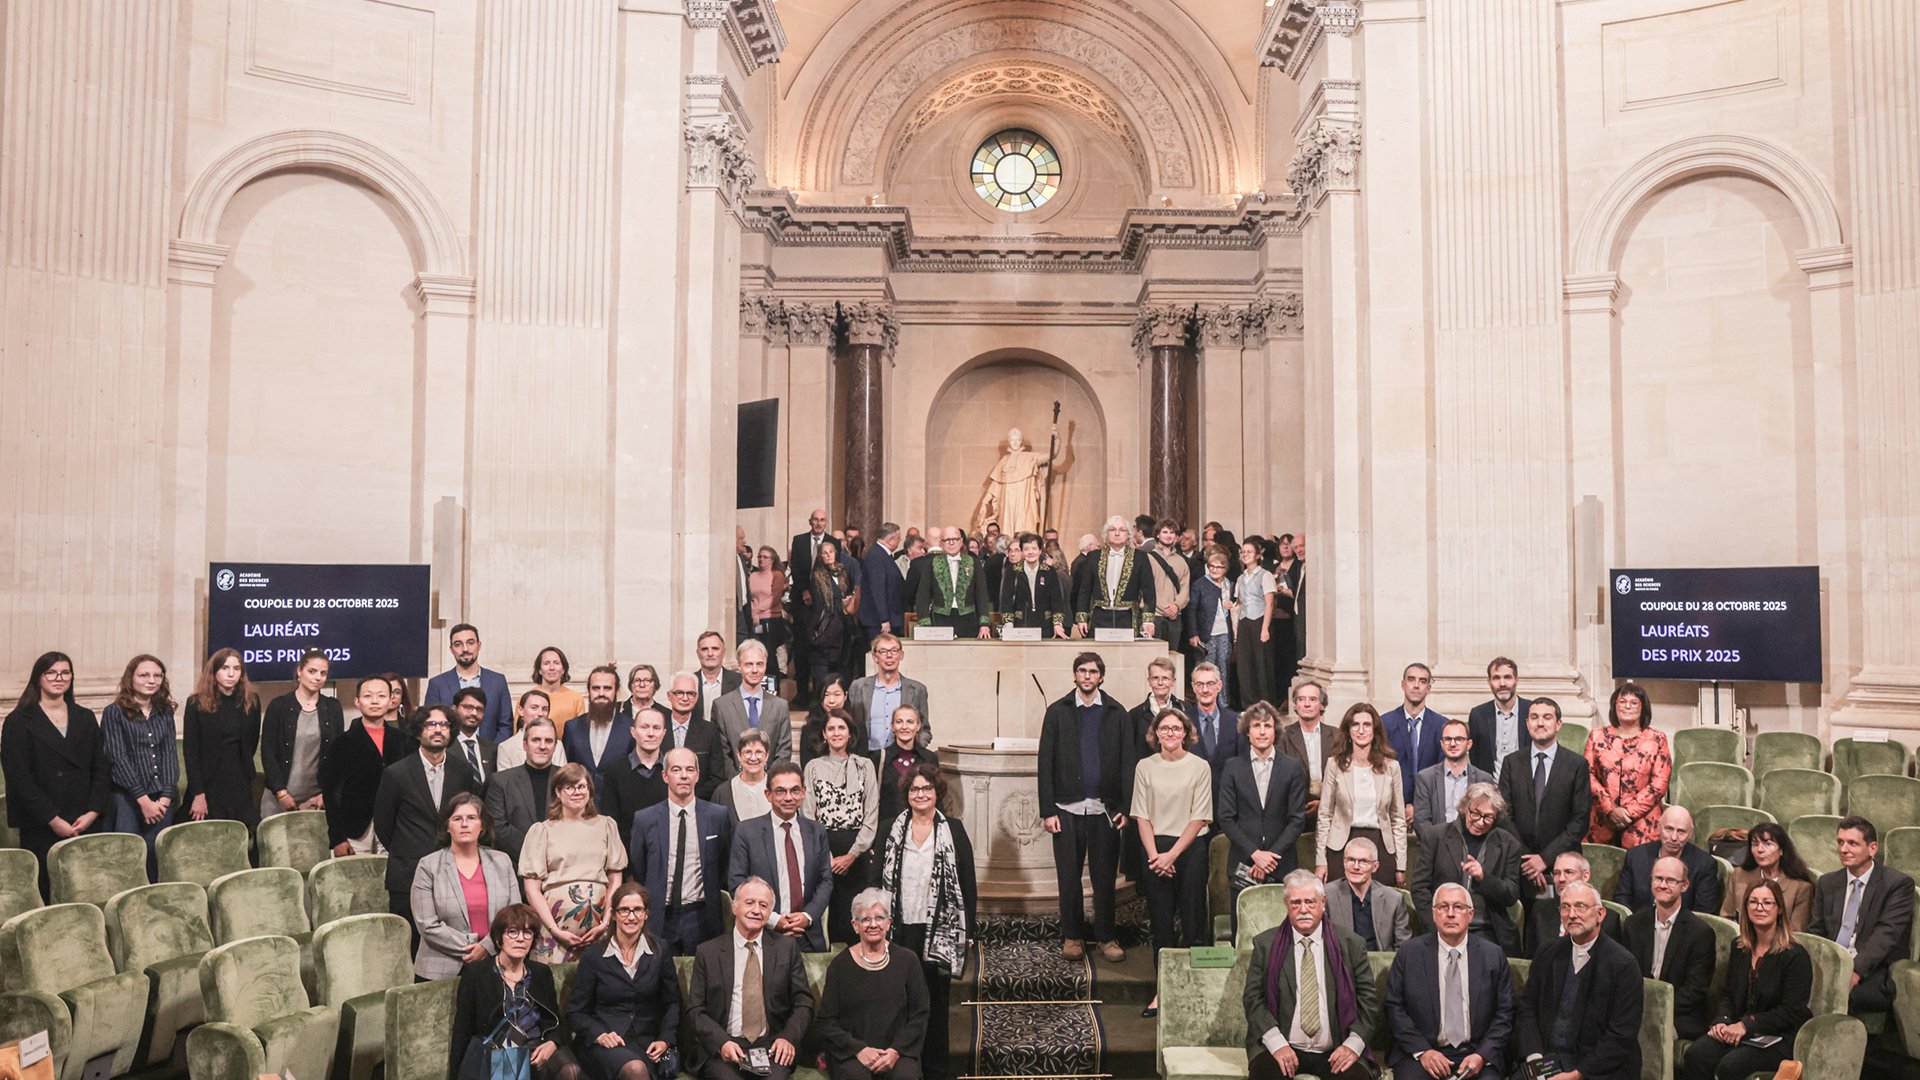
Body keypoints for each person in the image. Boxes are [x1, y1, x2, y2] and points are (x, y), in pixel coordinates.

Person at [875, 764, 976, 1080]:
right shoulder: (890, 828)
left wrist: (967, 930)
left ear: (937, 793)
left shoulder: (954, 830)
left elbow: (968, 884)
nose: (920, 794)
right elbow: (875, 879)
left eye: (926, 789)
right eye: (915, 789)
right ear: (907, 794)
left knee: (934, 1003)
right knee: (899, 1001)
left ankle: (935, 1069)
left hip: (940, 932)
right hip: (900, 929)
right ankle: (904, 1065)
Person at [1037, 651, 1132, 962]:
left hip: (1105, 809)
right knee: (1068, 876)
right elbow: (1045, 763)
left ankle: (1106, 937)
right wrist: (1047, 810)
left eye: (1093, 672)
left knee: (1105, 878)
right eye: (1082, 671)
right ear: (1075, 675)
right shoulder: (1057, 712)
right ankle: (1073, 936)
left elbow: (1127, 764)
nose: (1087, 676)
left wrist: (1125, 807)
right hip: (1066, 808)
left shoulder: (1117, 713)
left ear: (1101, 677)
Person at [1242, 870, 1380, 1080]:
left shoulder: (1351, 944)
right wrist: (1277, 1044)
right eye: (1296, 903)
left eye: (1310, 902)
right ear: (1286, 904)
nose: (1303, 910)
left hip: (1337, 1046)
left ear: (1322, 902)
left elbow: (1368, 1002)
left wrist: (1352, 1046)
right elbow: (1253, 999)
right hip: (1281, 1045)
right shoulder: (1265, 944)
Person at [1681, 879, 1812, 1080]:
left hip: (1780, 1035)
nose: (1759, 908)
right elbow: (1728, 993)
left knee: (1731, 1065)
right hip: (1740, 1028)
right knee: (1697, 1054)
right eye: (1753, 902)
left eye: (1767, 903)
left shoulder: (1795, 955)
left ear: (1779, 909)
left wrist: (1745, 1025)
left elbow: (1790, 1011)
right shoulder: (1739, 947)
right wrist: (1722, 1021)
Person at [686, 879, 814, 1080]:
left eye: (763, 905)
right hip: (725, 1046)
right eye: (749, 902)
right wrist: (721, 1043)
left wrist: (787, 1038)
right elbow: (695, 1009)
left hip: (771, 1046)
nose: (756, 910)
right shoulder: (708, 952)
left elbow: (803, 1002)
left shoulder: (786, 948)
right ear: (734, 907)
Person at [1385, 883, 1515, 1080]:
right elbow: (1394, 1007)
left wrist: (1482, 1055)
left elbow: (1505, 1013)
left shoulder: (1493, 955)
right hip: (1423, 1051)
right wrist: (1423, 1052)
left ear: (1470, 914)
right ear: (1434, 914)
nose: (1451, 913)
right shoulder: (1409, 953)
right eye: (1443, 907)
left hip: (1477, 1051)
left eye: (1458, 907)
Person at [1514, 883, 1643, 1080]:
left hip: (1598, 1067)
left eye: (1580, 906)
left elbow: (1621, 1035)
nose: (1572, 914)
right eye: (1565, 907)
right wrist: (1535, 1058)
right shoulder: (1547, 953)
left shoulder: (1623, 964)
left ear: (1600, 914)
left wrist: (1577, 1075)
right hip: (1549, 1060)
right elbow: (1527, 1009)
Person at [1132, 708, 1214, 1016]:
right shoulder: (1144, 766)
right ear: (1155, 734)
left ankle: (1194, 992)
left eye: (1176, 728)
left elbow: (1199, 816)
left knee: (1193, 923)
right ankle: (1162, 991)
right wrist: (1156, 857)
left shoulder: (1200, 766)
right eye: (1164, 728)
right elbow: (1141, 814)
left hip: (1189, 849)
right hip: (1154, 850)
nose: (1170, 733)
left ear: (1186, 733)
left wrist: (1172, 856)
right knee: (1161, 926)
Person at [376, 702, 482, 938]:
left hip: (452, 869)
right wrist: (409, 846)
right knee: (410, 946)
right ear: (419, 730)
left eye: (444, 724)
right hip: (407, 873)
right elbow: (384, 824)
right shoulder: (396, 773)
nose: (438, 729)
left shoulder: (462, 770)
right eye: (431, 724)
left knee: (453, 941)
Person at [449, 903, 582, 1080]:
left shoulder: (541, 972)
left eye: (528, 933)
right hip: (500, 1047)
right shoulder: (477, 973)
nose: (521, 938)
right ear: (498, 938)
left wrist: (553, 1042)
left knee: (570, 1070)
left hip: (537, 1043)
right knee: (512, 1066)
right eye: (512, 931)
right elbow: (462, 1028)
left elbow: (554, 1019)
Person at [568, 881, 683, 1080]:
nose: (631, 917)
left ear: (646, 914)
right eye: (624, 910)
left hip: (647, 1044)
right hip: (605, 1043)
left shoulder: (660, 950)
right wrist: (599, 1034)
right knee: (635, 1069)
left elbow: (672, 1002)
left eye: (638, 910)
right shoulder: (594, 956)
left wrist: (665, 1039)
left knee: (640, 1066)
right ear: (613, 914)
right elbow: (576, 1011)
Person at [813, 889, 931, 1080]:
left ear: (888, 923)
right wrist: (859, 1050)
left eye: (879, 917)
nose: (873, 924)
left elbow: (920, 1014)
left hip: (897, 1053)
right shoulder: (840, 965)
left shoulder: (908, 960)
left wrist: (895, 1051)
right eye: (865, 919)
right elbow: (826, 1021)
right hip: (851, 1053)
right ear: (855, 925)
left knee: (905, 1076)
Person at [519, 763, 628, 964]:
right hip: (554, 930)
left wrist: (605, 922)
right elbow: (532, 889)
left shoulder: (606, 825)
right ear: (558, 792)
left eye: (582, 786)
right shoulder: (542, 830)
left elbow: (615, 878)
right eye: (569, 787)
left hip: (600, 929)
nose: (576, 792)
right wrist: (554, 929)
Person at [1806, 814, 1916, 1011]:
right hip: (1830, 964)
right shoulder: (1827, 882)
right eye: (1840, 842)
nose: (1843, 849)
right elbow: (1816, 931)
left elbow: (1885, 936)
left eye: (1852, 843)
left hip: (1872, 969)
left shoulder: (1897, 884)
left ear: (1872, 848)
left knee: (1845, 996)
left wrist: (1854, 971)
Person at [630, 748, 732, 955]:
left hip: (702, 914)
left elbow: (723, 864)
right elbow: (639, 867)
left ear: (697, 775)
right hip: (660, 916)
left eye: (689, 769)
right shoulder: (645, 819)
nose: (684, 775)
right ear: (665, 776)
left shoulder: (718, 816)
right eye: (676, 770)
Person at [412, 793, 522, 981]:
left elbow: (515, 915)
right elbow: (427, 924)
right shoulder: (428, 866)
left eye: (471, 818)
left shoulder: (502, 862)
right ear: (447, 826)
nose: (464, 824)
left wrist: (486, 947)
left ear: (483, 826)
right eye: (457, 819)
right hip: (439, 970)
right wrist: (473, 947)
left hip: (494, 964)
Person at [728, 762, 832, 952]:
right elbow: (737, 884)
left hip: (807, 934)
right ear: (768, 795)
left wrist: (807, 916)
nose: (788, 797)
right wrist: (774, 920)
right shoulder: (746, 831)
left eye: (794, 791)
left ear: (803, 792)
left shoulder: (816, 831)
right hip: (762, 935)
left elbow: (825, 880)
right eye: (780, 791)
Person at [1410, 782, 1523, 955]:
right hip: (1442, 927)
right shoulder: (1436, 837)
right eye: (1475, 814)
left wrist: (1484, 878)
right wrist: (1437, 926)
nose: (1480, 822)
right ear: (1464, 807)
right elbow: (1419, 888)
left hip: (1487, 929)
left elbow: (1511, 894)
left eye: (1488, 817)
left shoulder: (1509, 844)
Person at [1496, 697, 1592, 897]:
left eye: (1547, 717)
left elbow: (1580, 820)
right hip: (1519, 865)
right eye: (1534, 717)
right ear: (1527, 723)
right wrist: (1528, 861)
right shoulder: (1511, 763)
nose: (1540, 723)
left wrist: (1545, 859)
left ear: (1558, 724)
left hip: (1563, 865)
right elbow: (1504, 816)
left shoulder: (1577, 765)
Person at [803, 713, 880, 947]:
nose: (836, 733)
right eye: (831, 728)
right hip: (823, 848)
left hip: (856, 850)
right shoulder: (813, 766)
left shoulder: (865, 765)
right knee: (828, 917)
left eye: (841, 727)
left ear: (850, 733)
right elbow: (807, 813)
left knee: (856, 916)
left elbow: (872, 813)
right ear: (824, 735)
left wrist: (853, 854)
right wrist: (825, 855)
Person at [1218, 700, 1309, 895]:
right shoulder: (1232, 766)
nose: (1262, 731)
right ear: (1247, 732)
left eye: (1267, 726)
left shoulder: (1291, 767)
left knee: (1281, 925)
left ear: (1275, 731)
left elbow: (1297, 819)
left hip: (1282, 864)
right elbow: (1226, 817)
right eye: (1256, 726)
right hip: (1244, 863)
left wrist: (1269, 858)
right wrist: (1255, 854)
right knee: (1245, 925)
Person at [1622, 855, 1717, 1040]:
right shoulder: (1633, 924)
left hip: (1680, 1015)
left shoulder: (1700, 933)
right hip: (1637, 1008)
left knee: (1648, 1033)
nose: (1663, 885)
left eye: (1671, 880)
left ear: (1684, 886)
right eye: (1658, 878)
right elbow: (1626, 976)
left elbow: (1695, 990)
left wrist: (1655, 1010)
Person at [100, 654, 178, 873]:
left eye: (157, 675)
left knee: (157, 857)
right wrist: (144, 801)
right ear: (131, 678)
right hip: (128, 798)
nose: (151, 680)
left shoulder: (165, 712)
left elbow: (170, 754)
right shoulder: (114, 712)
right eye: (144, 675)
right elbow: (117, 759)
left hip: (162, 798)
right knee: (129, 859)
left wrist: (165, 797)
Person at [320, 676, 415, 855]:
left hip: (395, 827)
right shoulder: (342, 743)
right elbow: (330, 792)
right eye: (368, 696)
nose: (374, 701)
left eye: (381, 696)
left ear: (390, 700)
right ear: (357, 701)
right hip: (354, 829)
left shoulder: (404, 741)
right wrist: (337, 837)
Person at [1315, 703, 1407, 885]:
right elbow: (1324, 816)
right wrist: (1320, 861)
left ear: (1375, 730)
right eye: (1355, 725)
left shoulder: (1391, 767)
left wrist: (1401, 865)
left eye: (1367, 725)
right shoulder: (1335, 765)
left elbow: (1398, 819)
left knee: (1380, 905)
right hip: (1342, 844)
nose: (1361, 730)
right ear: (1348, 731)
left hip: (1380, 844)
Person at [182, 648, 262, 828]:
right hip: (209, 782)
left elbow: (251, 743)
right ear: (214, 671)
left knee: (240, 833)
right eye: (225, 668)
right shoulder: (196, 703)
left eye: (237, 668)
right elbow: (191, 752)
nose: (231, 673)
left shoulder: (251, 701)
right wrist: (198, 793)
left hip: (240, 781)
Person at [1585, 681, 1672, 847]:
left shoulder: (1657, 739)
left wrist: (1627, 812)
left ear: (1643, 708)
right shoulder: (1597, 736)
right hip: (1602, 821)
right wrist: (1610, 809)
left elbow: (1660, 783)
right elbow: (1588, 775)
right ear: (1614, 706)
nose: (1627, 706)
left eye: (1634, 703)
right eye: (1622, 702)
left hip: (1643, 824)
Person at [260, 649, 343, 820]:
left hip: (317, 799)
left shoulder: (333, 707)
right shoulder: (279, 706)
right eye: (312, 671)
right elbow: (268, 753)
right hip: (279, 796)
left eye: (323, 673)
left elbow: (337, 756)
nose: (318, 677)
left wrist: (326, 794)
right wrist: (281, 793)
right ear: (300, 671)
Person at [1613, 806, 1719, 913]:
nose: (1673, 837)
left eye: (1681, 832)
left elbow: (1703, 913)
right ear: (1659, 827)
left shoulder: (1704, 864)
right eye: (1669, 829)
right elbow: (1622, 900)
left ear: (1690, 833)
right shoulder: (1635, 856)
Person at [489, 716, 564, 862]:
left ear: (555, 746)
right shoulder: (501, 781)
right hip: (517, 866)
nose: (542, 746)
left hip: (559, 867)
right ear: (524, 745)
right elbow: (498, 827)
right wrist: (535, 852)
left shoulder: (567, 780)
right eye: (536, 740)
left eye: (548, 741)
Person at [848, 634, 931, 762]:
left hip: (902, 759)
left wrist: (912, 750)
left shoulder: (917, 690)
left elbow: (925, 730)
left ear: (901, 655)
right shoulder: (858, 687)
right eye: (883, 651)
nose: (889, 655)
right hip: (865, 758)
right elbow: (850, 726)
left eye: (894, 651)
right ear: (875, 657)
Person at [426, 623, 516, 742]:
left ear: (479, 645)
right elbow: (429, 724)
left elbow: (506, 724)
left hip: (491, 754)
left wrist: (493, 752)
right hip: (450, 756)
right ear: (451, 649)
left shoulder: (497, 681)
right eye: (458, 644)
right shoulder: (437, 684)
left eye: (470, 642)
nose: (465, 649)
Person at [1524, 851, 1624, 956]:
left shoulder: (1609, 919)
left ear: (1585, 876)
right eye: (1557, 873)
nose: (1561, 879)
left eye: (1569, 872)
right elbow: (1531, 959)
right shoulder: (1540, 910)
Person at [1721, 821, 1815, 931]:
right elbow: (1726, 917)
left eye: (1768, 844)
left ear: (1781, 850)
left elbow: (1796, 932)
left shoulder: (1800, 888)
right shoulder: (1739, 876)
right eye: (1755, 844)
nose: (1760, 850)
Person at [712, 640, 794, 765]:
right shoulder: (722, 706)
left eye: (760, 664)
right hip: (733, 781)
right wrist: (737, 782)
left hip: (771, 781)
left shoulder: (780, 706)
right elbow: (722, 754)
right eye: (749, 664)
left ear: (766, 665)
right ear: (739, 666)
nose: (755, 670)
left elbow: (784, 751)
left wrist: (769, 781)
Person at [1323, 837, 1413, 951]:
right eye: (1351, 860)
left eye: (1363, 861)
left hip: (1383, 965)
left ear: (1375, 866)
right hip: (1342, 965)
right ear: (1344, 863)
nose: (1356, 867)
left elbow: (1403, 947)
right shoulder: (1327, 895)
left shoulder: (1394, 899)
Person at [1412, 719, 1494, 844]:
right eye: (1448, 739)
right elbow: (1421, 821)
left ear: (1469, 744)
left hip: (1472, 849)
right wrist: (1441, 848)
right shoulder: (1425, 778)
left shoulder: (1483, 779)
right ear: (1442, 744)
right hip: (1436, 850)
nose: (1453, 744)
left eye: (1459, 739)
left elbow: (1488, 820)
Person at [1073, 515, 1157, 637]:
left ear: (1129, 534)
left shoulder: (1140, 557)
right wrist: (1081, 617)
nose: (1117, 533)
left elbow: (1149, 590)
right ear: (1106, 534)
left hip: (1127, 617)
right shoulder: (1093, 557)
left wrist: (1148, 620)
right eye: (1112, 530)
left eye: (1122, 530)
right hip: (1099, 616)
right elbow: (1084, 590)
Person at [1381, 663, 1447, 814]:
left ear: (1429, 689)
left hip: (1430, 810)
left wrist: (1419, 808)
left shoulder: (1441, 725)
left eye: (1422, 681)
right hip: (1391, 809)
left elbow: (1442, 771)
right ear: (1403, 685)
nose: (1416, 685)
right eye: (1411, 680)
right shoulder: (1384, 723)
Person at [601, 706, 669, 849]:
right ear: (633, 732)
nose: (651, 733)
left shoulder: (673, 771)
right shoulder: (614, 771)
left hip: (666, 856)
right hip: (626, 857)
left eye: (656, 728)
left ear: (664, 733)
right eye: (644, 727)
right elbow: (609, 823)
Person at [914, 526, 993, 638]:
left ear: (961, 541)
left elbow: (982, 594)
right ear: (941, 543)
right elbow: (923, 595)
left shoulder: (973, 563)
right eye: (947, 540)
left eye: (955, 539)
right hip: (940, 620)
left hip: (968, 620)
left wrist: (984, 623)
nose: (951, 543)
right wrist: (925, 623)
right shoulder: (932, 563)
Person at [567, 666, 637, 788]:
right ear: (588, 691)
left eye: (607, 688)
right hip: (581, 802)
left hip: (616, 803)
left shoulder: (631, 727)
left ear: (616, 691)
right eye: (595, 688)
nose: (601, 693)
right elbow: (567, 769)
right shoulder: (572, 727)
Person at [806, 540, 862, 692]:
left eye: (831, 551)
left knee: (842, 666)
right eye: (825, 552)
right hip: (827, 625)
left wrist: (848, 601)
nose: (828, 555)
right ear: (820, 556)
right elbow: (820, 604)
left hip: (844, 624)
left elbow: (845, 592)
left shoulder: (842, 572)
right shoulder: (817, 576)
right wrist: (840, 605)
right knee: (823, 671)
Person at [789, 508, 832, 707]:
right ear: (810, 521)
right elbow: (796, 569)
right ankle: (801, 693)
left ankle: (820, 694)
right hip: (802, 603)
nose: (818, 523)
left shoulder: (834, 542)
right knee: (802, 648)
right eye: (815, 520)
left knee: (822, 650)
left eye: (822, 520)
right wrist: (805, 590)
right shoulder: (799, 541)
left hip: (824, 606)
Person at [1184, 662, 1241, 807]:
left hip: (1228, 803)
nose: (1205, 690)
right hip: (1192, 802)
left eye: (1210, 684)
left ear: (1219, 686)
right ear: (1193, 687)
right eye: (1199, 684)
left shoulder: (1235, 722)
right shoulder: (1183, 722)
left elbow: (1242, 764)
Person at [662, 673, 729, 798]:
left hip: (698, 802)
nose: (685, 698)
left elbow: (717, 776)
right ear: (669, 696)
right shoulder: (658, 728)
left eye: (690, 694)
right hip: (660, 802)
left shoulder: (710, 731)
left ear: (696, 697)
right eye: (679, 693)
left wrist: (691, 798)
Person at [1466, 657, 1530, 777]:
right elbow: (1475, 758)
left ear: (1516, 680)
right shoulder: (1478, 715)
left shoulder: (1532, 711)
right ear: (1489, 682)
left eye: (1507, 677)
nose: (1502, 684)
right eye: (1496, 678)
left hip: (1526, 788)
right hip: (1490, 789)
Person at [1231, 540, 1276, 707]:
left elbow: (1269, 603)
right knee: (1245, 664)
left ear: (1258, 555)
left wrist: (1265, 629)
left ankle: (1265, 703)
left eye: (1249, 551)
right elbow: (1240, 601)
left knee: (1261, 664)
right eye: (1243, 551)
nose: (1245, 554)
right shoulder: (1241, 578)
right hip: (1244, 622)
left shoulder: (1265, 575)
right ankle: (1248, 704)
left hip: (1259, 621)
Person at [1277, 681, 1335, 813]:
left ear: (1322, 705)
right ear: (1295, 706)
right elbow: (1280, 780)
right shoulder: (1282, 737)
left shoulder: (1337, 736)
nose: (1306, 704)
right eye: (1301, 699)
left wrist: (1325, 803)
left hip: (1332, 810)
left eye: (1313, 699)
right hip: (1295, 810)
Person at [997, 532, 1068, 636]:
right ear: (1022, 551)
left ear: (1040, 551)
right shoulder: (1012, 571)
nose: (1030, 552)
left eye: (1034, 549)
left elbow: (1056, 599)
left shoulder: (1049, 571)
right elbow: (1006, 599)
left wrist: (1057, 623)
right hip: (1020, 624)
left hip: (1045, 625)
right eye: (1026, 549)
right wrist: (1008, 623)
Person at [877, 706, 930, 829]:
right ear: (892, 726)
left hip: (922, 828)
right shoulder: (879, 758)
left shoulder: (929, 758)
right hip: (887, 829)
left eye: (910, 722)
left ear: (918, 726)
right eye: (899, 722)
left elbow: (936, 799)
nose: (904, 727)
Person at [1141, 519, 1191, 648]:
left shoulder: (1181, 561)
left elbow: (1185, 588)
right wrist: (1162, 607)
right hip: (1153, 616)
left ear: (1176, 536)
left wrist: (1176, 605)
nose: (1168, 535)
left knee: (1172, 655)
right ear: (1157, 534)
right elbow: (1145, 587)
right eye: (1165, 532)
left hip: (1174, 616)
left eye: (1172, 532)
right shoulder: (1147, 558)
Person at [1185, 545, 1233, 677]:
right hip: (1206, 634)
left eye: (1219, 567)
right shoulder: (1200, 584)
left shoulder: (1228, 584)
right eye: (1212, 566)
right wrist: (1193, 634)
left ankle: (1223, 698)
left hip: (1225, 633)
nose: (1215, 570)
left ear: (1225, 568)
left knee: (1223, 670)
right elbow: (1191, 611)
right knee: (1205, 669)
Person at [748, 545, 791, 688]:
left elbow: (775, 597)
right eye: (759, 556)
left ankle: (772, 691)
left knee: (770, 657)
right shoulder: (753, 575)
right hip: (755, 621)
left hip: (771, 619)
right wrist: (753, 612)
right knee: (757, 655)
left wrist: (756, 611)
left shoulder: (777, 575)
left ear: (772, 560)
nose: (761, 559)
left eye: (765, 557)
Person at [499, 689, 570, 771]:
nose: (540, 713)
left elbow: (563, 778)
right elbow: (504, 781)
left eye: (545, 709)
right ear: (521, 710)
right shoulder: (506, 747)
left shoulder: (558, 745)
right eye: (534, 708)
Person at [857, 523, 906, 643]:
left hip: (885, 619)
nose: (900, 541)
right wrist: (884, 619)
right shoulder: (876, 556)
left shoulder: (883, 555)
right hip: (878, 622)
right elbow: (878, 589)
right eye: (898, 538)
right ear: (890, 540)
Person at [715, 730, 773, 824]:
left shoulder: (778, 790)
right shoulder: (722, 793)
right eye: (748, 752)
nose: (753, 758)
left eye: (759, 752)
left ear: (766, 756)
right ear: (739, 755)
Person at [450, 687, 499, 789]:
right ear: (454, 709)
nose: (474, 713)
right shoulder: (445, 747)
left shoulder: (492, 749)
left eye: (479, 709)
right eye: (468, 707)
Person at [693, 632, 744, 727]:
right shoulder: (689, 682)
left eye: (715, 649)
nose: (710, 653)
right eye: (704, 649)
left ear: (724, 651)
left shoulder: (739, 682)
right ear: (697, 653)